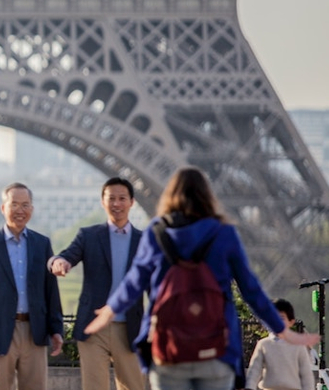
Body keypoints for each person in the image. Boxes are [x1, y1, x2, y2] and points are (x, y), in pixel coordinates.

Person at [85, 167, 319, 390]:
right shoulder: (224, 232)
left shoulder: (157, 231)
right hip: (216, 346)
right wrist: (282, 330)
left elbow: (135, 280)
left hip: (168, 347)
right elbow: (251, 289)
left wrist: (109, 310)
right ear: (207, 195)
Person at [48, 177, 144, 390]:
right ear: (103, 202)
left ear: (132, 202)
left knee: (134, 387)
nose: (116, 204)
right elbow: (66, 255)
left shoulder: (144, 241)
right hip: (93, 328)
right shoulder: (88, 235)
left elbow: (156, 284)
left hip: (130, 327)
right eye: (111, 198)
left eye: (122, 198)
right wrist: (58, 262)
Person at [0, 182, 64, 390]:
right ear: (3, 208)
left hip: (35, 331)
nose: (20, 210)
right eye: (14, 204)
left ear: (32, 209)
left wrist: (56, 329)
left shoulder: (42, 244)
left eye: (25, 205)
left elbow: (51, 291)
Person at [243, 299, 313, 390]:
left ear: (291, 322)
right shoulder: (264, 344)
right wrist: (249, 387)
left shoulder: (298, 346)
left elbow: (306, 375)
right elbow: (254, 370)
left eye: (281, 318)